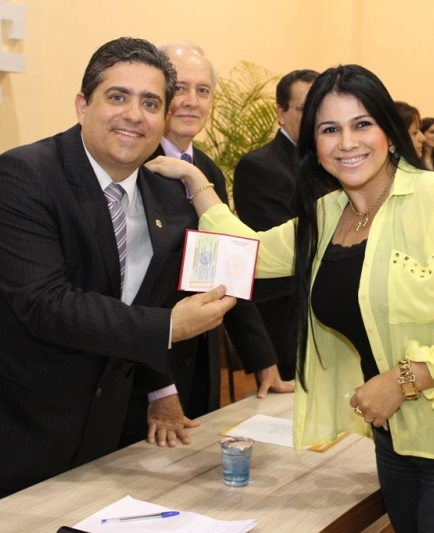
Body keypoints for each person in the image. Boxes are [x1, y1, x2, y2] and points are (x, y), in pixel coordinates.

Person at [148, 64, 434, 533]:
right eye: (329, 129)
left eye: (362, 124)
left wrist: (403, 380)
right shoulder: (327, 215)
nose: (347, 143)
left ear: (389, 131)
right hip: (396, 444)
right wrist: (194, 179)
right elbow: (245, 253)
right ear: (313, 143)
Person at [0, 37, 237, 526]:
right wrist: (169, 327)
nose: (134, 115)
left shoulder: (168, 193)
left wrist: (159, 387)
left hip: (95, 436)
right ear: (83, 105)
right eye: (118, 96)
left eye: (151, 103)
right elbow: (46, 304)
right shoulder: (22, 175)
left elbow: (150, 295)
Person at [123, 41, 293, 431]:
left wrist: (263, 361)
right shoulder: (133, 166)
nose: (191, 101)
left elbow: (228, 269)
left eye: (203, 90)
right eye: (180, 88)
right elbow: (129, 290)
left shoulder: (206, 171)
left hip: (200, 357)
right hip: (146, 368)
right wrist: (159, 388)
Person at [232, 69, 319, 381]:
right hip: (289, 320)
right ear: (281, 113)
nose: (314, 117)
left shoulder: (332, 162)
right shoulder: (259, 167)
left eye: (321, 107)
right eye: (304, 107)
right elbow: (285, 249)